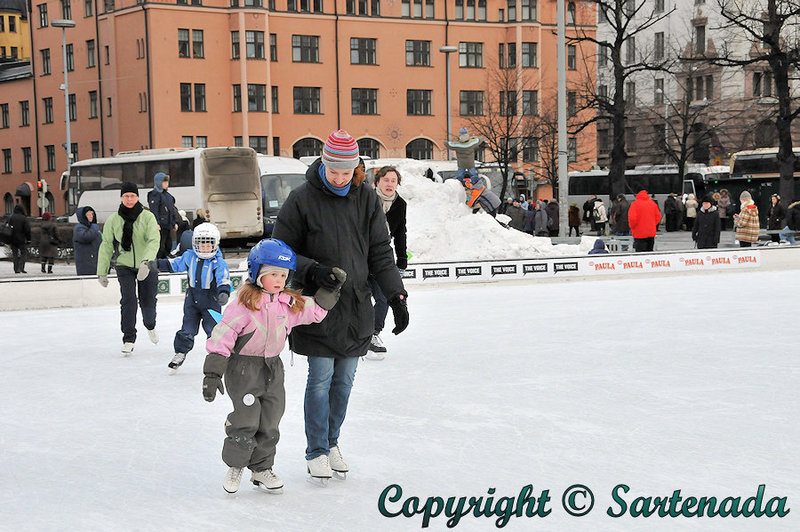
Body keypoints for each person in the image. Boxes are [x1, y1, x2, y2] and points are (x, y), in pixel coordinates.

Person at [271, 129, 408, 483]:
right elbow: (279, 252)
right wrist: (312, 270)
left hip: (356, 305)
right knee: (320, 379)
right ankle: (316, 450)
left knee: (344, 381)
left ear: (356, 169)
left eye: (346, 172)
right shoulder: (301, 199)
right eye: (334, 171)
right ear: (323, 165)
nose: (340, 178)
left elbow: (380, 250)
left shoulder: (365, 199)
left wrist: (396, 295)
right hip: (318, 304)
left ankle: (332, 443)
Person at [202, 238, 346, 494]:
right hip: (244, 369)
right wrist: (213, 371)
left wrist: (331, 289)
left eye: (283, 274)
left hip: (273, 370)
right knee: (246, 420)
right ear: (257, 274)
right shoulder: (242, 305)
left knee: (270, 421)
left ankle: (261, 469)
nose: (279, 280)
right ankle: (236, 466)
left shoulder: (287, 303)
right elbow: (222, 334)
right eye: (272, 274)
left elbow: (312, 310)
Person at [149, 223, 232, 373]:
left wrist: (223, 292)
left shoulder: (218, 262)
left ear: (215, 244)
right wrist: (156, 264)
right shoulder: (189, 257)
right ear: (195, 244)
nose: (204, 248)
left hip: (211, 302)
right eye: (201, 244)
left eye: (208, 244)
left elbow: (223, 279)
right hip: (192, 300)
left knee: (214, 331)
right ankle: (180, 353)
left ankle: (218, 358)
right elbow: (174, 264)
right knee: (187, 329)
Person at [97, 181, 162, 356]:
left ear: (138, 197)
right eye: (126, 196)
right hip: (124, 265)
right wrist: (102, 271)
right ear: (121, 197)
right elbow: (106, 245)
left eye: (132, 196)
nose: (129, 199)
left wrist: (146, 262)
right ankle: (128, 338)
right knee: (128, 300)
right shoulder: (113, 220)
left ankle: (150, 325)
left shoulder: (147, 217)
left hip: (147, 265)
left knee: (147, 301)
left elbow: (153, 240)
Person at [367, 165, 408, 361]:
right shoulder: (366, 199)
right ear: (377, 182)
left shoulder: (400, 204)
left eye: (393, 180)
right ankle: (356, 333)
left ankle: (374, 333)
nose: (390, 184)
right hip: (360, 254)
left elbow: (400, 232)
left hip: (381, 256)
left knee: (383, 297)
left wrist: (401, 260)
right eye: (386, 180)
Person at [147, 171, 178, 259]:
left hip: (168, 225)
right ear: (159, 183)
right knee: (160, 245)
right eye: (164, 182)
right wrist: (156, 223)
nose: (166, 184)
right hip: (160, 225)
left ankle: (164, 259)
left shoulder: (168, 196)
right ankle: (159, 261)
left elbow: (172, 210)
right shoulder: (154, 195)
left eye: (167, 182)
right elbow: (154, 210)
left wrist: (174, 222)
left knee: (169, 245)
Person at [73, 206, 103, 276]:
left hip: (95, 260)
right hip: (86, 263)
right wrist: (94, 226)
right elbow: (87, 237)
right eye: (88, 214)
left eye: (92, 214)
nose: (91, 216)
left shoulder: (92, 227)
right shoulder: (79, 228)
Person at [8, 204, 31, 274]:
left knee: (15, 254)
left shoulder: (11, 217)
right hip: (21, 238)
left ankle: (16, 269)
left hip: (12, 238)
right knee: (23, 253)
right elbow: (27, 229)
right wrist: (29, 239)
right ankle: (21, 267)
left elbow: (7, 227)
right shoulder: (23, 218)